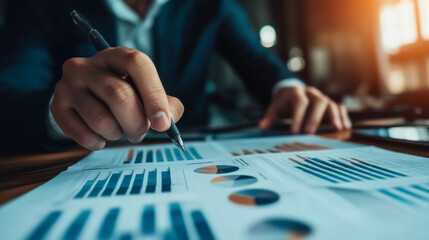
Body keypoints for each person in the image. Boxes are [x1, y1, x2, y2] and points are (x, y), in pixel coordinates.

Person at [0, 0, 351, 150]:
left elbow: (254, 57)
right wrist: (57, 113)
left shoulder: (211, 4)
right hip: (73, 160)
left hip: (191, 157)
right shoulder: (41, 5)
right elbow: (11, 96)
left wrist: (286, 85)